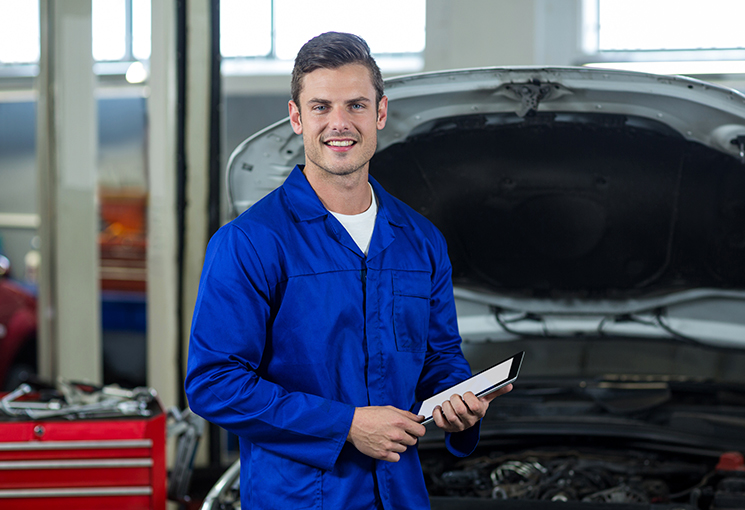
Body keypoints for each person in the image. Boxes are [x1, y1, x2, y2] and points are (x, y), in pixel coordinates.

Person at [185, 31, 510, 509]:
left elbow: (441, 358)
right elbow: (214, 383)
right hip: (299, 498)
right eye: (321, 107)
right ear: (296, 117)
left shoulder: (421, 241)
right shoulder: (251, 243)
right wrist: (347, 425)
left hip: (400, 494)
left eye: (356, 105)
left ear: (380, 113)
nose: (340, 123)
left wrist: (457, 402)